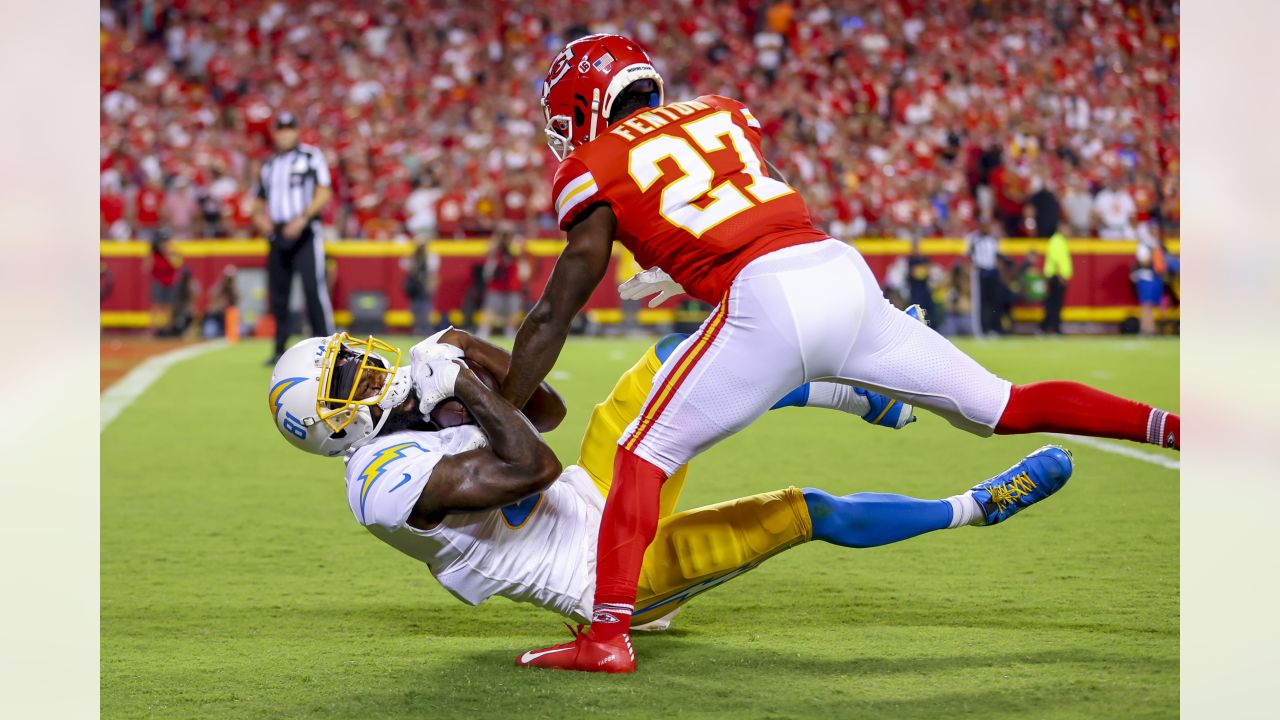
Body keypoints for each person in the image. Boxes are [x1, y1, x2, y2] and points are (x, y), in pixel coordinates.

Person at [499, 34, 1180, 673]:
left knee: (641, 456)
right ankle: (1178, 429)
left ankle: (609, 636)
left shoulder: (592, 164)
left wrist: (506, 409)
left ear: (587, 108)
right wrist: (682, 261)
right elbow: (750, 198)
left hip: (766, 298)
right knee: (1001, 404)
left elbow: (558, 307)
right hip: (837, 271)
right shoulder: (720, 112)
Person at [266, 330, 1066, 643]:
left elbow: (545, 407)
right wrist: (467, 392)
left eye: (349, 352)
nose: (366, 364)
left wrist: (464, 354)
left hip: (594, 489)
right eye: (345, 376)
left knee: (674, 366)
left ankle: (861, 394)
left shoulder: (414, 398)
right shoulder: (378, 480)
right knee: (800, 511)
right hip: (612, 576)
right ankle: (972, 510)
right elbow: (528, 466)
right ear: (330, 425)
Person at [254, 111, 335, 365]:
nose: (285, 134)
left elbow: (324, 191)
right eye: (281, 129)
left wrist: (303, 218)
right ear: (275, 133)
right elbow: (257, 203)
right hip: (278, 232)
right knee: (279, 294)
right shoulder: (269, 165)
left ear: (297, 131)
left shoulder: (311, 156)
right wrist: (264, 224)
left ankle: (328, 348)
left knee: (313, 289)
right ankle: (280, 349)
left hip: (305, 230)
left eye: (290, 128)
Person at [965, 220, 1003, 335]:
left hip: (992, 272)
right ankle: (981, 329)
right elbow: (968, 255)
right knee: (980, 302)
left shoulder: (993, 240)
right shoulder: (974, 239)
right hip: (980, 272)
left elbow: (997, 256)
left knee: (993, 301)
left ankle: (992, 327)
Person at [403, 239, 440, 336]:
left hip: (425, 284)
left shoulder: (430, 256)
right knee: (416, 308)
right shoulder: (413, 256)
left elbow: (432, 272)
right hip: (415, 286)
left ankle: (426, 328)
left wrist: (431, 285)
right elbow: (405, 266)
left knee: (425, 308)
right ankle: (418, 328)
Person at [1042, 231, 1073, 334]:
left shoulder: (1060, 241)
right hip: (1056, 277)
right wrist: (1060, 275)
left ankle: (1048, 327)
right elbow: (1056, 259)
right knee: (1055, 304)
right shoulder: (1057, 241)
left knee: (1054, 303)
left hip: (1057, 276)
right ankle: (1053, 328)